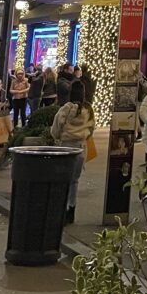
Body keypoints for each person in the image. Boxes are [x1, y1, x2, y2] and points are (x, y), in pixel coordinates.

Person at [50, 79, 95, 223]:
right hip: (80, 148)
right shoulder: (88, 110)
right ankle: (72, 208)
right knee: (74, 181)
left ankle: (61, 209)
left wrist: (57, 137)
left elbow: (56, 127)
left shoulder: (66, 108)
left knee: (63, 180)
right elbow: (91, 129)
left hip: (65, 147)